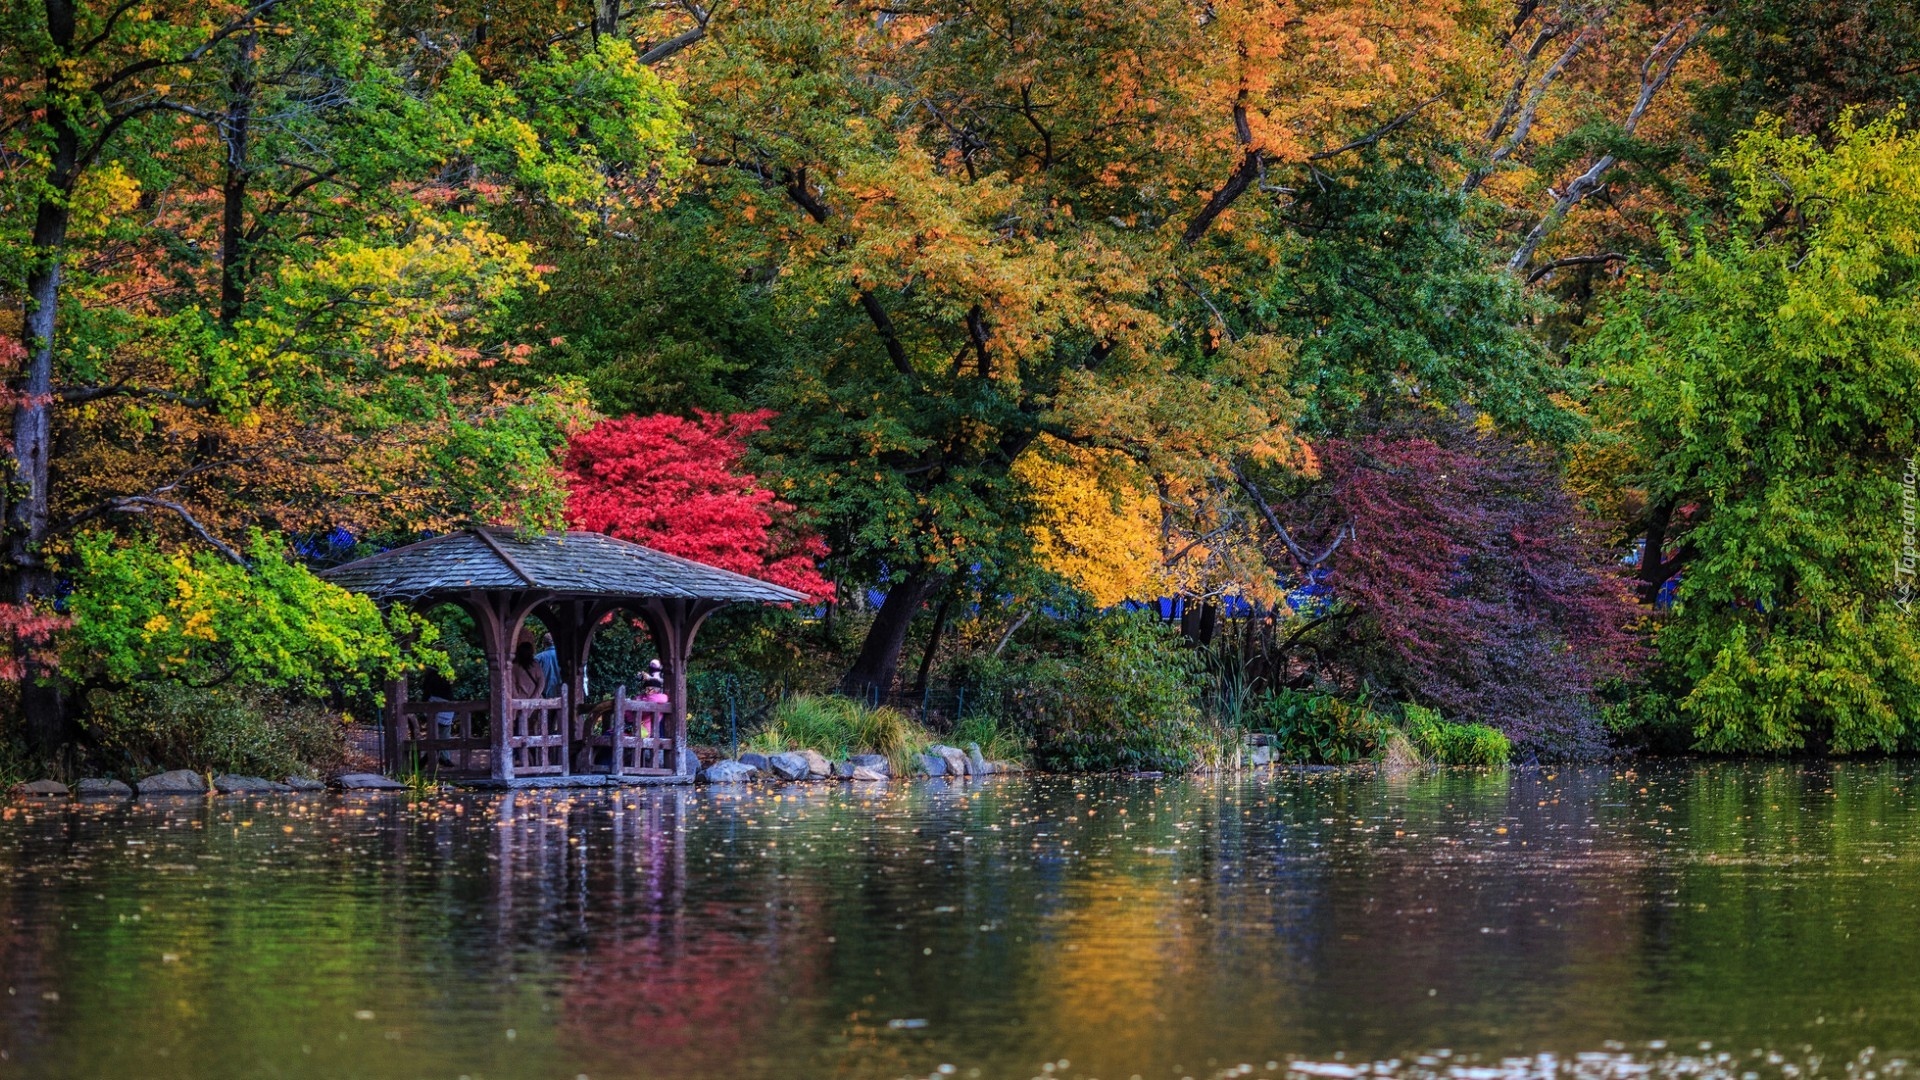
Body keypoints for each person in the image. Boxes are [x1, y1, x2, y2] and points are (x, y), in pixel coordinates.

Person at [424, 670, 457, 767]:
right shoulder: (443, 674)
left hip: (433, 703)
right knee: (444, 733)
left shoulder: (430, 674)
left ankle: (439, 756)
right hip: (442, 704)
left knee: (437, 733)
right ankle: (443, 757)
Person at [534, 633, 562, 698]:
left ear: (544, 644)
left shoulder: (538, 658)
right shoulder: (563, 657)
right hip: (561, 697)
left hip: (543, 696)